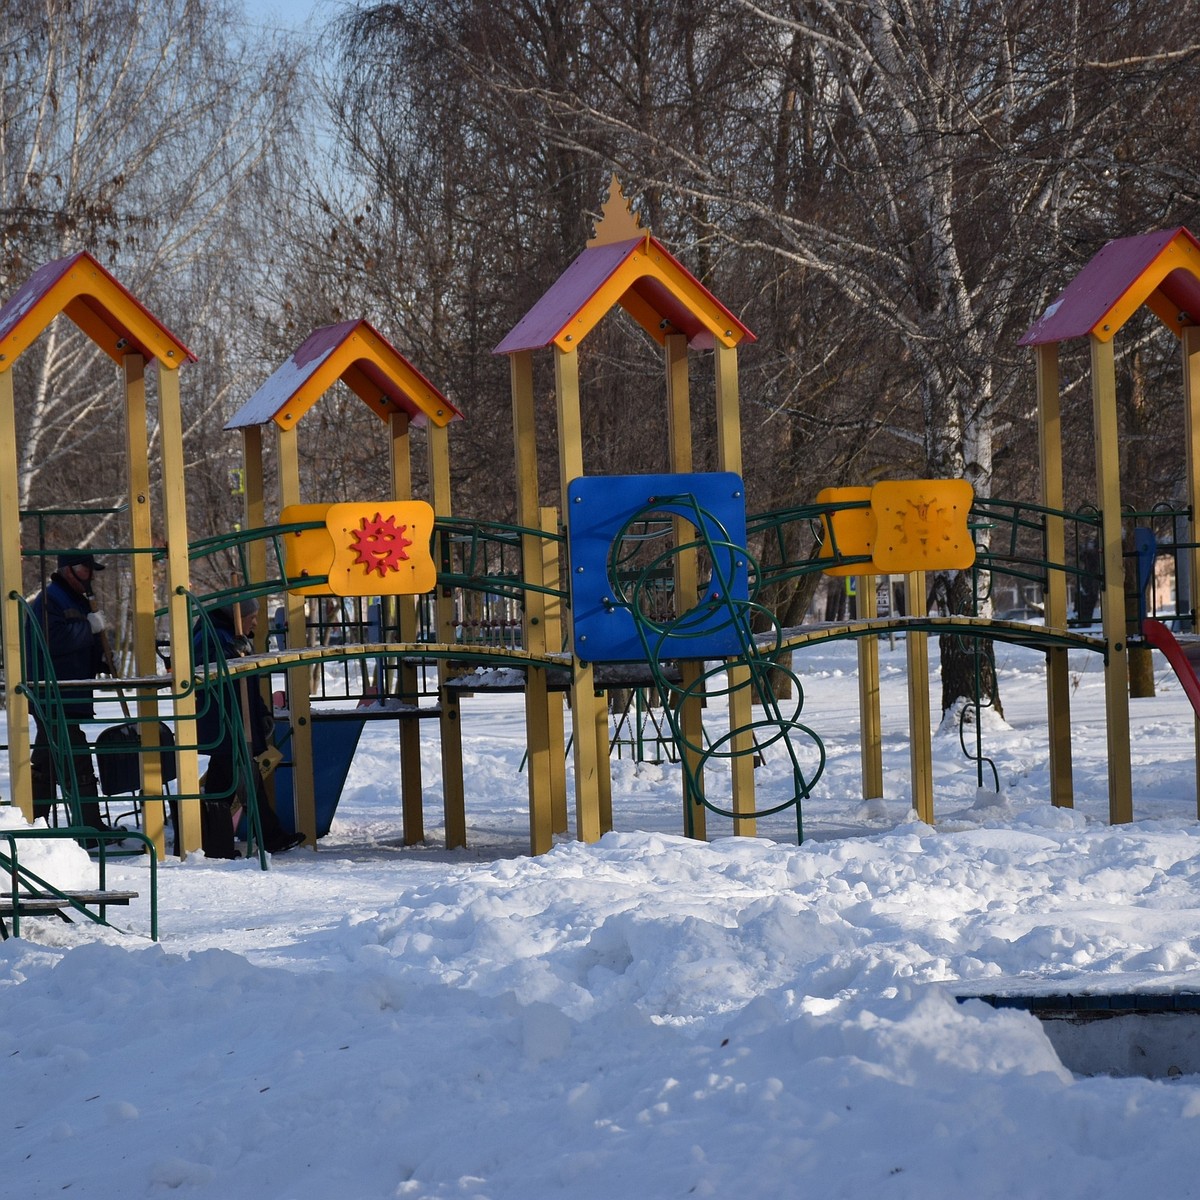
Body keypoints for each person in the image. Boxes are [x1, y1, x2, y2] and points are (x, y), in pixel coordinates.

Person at [192, 597, 304, 858]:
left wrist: (261, 712)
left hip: (234, 720)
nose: (255, 622)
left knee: (225, 783)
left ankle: (212, 840)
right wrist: (232, 653)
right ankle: (267, 836)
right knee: (246, 779)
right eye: (251, 617)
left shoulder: (226, 634)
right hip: (226, 721)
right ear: (237, 616)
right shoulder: (212, 635)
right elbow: (208, 668)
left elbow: (248, 683)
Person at [26, 551, 114, 836]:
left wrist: (100, 659)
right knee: (75, 755)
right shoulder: (52, 599)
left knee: (47, 760)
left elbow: (79, 646)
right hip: (54, 693)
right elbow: (52, 639)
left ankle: (33, 822)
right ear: (69, 571)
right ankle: (88, 826)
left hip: (68, 693)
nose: (91, 576)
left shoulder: (73, 599)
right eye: (87, 570)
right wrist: (88, 627)